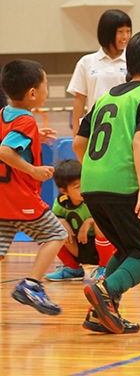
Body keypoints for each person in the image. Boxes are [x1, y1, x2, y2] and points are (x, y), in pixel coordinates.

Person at [72, 25, 140, 334]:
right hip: (127, 188)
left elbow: (79, 144)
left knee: (126, 250)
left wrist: (98, 170)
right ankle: (105, 291)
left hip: (92, 186)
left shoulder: (105, 99)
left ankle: (98, 312)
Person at [0, 60, 67, 316]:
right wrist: (33, 170)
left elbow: (8, 139)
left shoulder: (4, 114)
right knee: (57, 234)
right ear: (32, 93)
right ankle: (31, 285)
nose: (47, 89)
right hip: (20, 196)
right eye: (46, 84)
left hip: (2, 197)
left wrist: (34, 137)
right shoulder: (26, 120)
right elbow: (5, 150)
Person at [44, 159, 115, 283]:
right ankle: (72, 268)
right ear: (64, 191)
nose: (83, 188)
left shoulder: (95, 197)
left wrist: (89, 221)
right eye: (77, 187)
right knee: (52, 226)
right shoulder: (61, 202)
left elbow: (111, 220)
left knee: (100, 224)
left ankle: (105, 267)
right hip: (79, 246)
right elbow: (53, 218)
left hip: (103, 247)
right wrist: (61, 221)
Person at [67, 9, 132, 135]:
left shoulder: (134, 61)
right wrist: (76, 132)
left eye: (128, 31)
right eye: (120, 32)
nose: (125, 37)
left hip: (126, 127)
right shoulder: (86, 62)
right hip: (95, 128)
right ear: (107, 33)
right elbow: (79, 99)